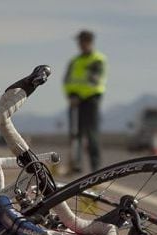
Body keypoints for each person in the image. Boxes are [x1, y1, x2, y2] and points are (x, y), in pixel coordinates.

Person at [63, 30, 107, 173]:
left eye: (82, 41)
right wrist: (71, 95)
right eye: (79, 42)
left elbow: (95, 80)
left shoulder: (98, 59)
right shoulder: (74, 61)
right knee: (75, 134)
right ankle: (76, 165)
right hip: (74, 101)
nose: (80, 44)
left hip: (91, 100)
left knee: (91, 134)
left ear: (89, 42)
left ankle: (95, 166)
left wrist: (79, 96)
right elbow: (67, 80)